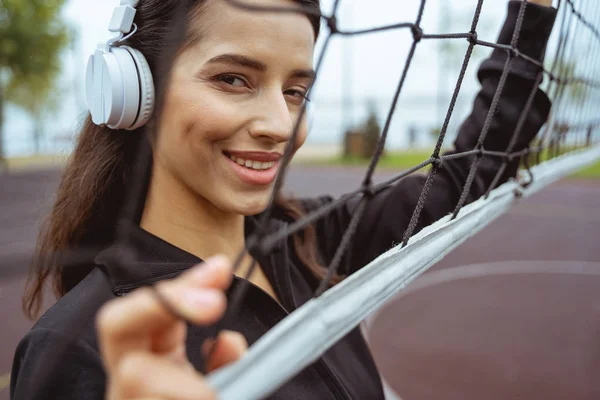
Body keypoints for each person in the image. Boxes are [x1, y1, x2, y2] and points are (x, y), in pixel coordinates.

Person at [11, 0, 557, 398]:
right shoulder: (81, 347)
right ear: (134, 93)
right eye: (232, 79)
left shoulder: (306, 239)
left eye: (296, 91)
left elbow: (468, 173)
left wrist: (531, 15)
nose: (280, 124)